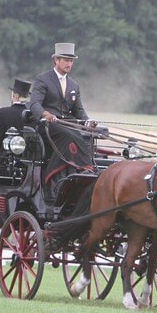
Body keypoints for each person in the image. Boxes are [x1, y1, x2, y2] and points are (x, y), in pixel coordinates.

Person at [29, 42, 94, 198]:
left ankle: (81, 172)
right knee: (69, 135)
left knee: (85, 136)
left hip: (66, 124)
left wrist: (87, 121)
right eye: (65, 60)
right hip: (46, 125)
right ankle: (54, 177)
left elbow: (78, 110)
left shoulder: (74, 85)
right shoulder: (42, 79)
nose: (69, 64)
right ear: (56, 60)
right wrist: (45, 114)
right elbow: (34, 104)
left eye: (71, 61)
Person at [0, 78, 33, 156]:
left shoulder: (2, 112)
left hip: (6, 156)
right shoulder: (33, 114)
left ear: (15, 95)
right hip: (28, 157)